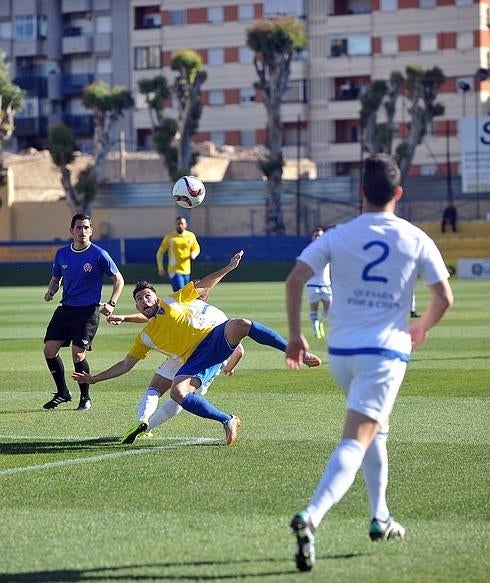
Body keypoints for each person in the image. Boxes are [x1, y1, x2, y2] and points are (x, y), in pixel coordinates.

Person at [285, 154, 453, 572]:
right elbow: (444, 296)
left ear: (360, 193)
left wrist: (295, 334)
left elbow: (295, 279)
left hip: (341, 355)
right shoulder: (414, 237)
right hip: (383, 354)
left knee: (377, 430)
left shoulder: (339, 234)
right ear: (398, 193)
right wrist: (423, 327)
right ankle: (312, 516)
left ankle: (380, 518)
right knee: (356, 439)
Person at [73, 251, 321, 446]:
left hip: (214, 338)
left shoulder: (173, 300)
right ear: (138, 307)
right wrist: (95, 378)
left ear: (155, 297)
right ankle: (228, 419)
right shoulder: (146, 336)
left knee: (242, 324)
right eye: (139, 299)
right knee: (177, 394)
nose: (143, 300)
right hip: (195, 359)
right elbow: (126, 365)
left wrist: (229, 267)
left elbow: (204, 284)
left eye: (147, 295)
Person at [106, 299, 245, 444]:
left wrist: (125, 318)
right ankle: (145, 427)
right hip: (196, 355)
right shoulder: (214, 313)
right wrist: (230, 367)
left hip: (191, 356)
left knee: (160, 389)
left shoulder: (184, 304)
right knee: (181, 396)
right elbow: (239, 350)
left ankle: (143, 422)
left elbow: (154, 315)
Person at [43, 214, 125, 411]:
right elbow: (56, 278)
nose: (83, 231)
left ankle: (85, 397)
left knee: (78, 356)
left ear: (91, 230)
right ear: (71, 231)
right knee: (49, 351)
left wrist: (112, 303)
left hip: (88, 311)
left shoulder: (99, 254)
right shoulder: (62, 253)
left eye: (86, 227)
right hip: (66, 309)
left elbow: (119, 279)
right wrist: (51, 291)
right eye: (79, 228)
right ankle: (63, 392)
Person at [156, 216, 200, 291]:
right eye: (178, 224)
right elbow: (160, 253)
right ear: (175, 225)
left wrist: (194, 254)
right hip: (174, 270)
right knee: (180, 291)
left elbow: (197, 248)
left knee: (185, 294)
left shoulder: (191, 236)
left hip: (187, 270)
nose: (180, 225)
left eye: (182, 223)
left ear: (186, 225)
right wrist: (160, 268)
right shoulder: (170, 237)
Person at [306, 226, 333, 339]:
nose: (318, 237)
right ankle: (315, 327)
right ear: (312, 237)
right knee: (314, 309)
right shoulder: (309, 250)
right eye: (316, 236)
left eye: (320, 236)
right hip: (313, 284)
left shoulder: (328, 249)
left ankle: (319, 322)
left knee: (329, 307)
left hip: (326, 284)